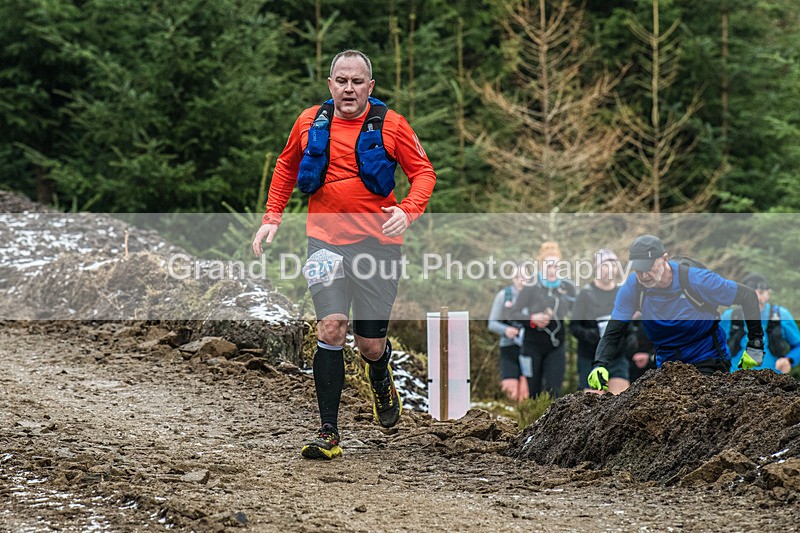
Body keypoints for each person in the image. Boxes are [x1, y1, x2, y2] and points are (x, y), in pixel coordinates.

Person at [251, 50, 436, 459]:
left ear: (370, 87)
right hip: (324, 243)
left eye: (356, 82)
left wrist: (407, 212)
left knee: (370, 344)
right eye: (341, 80)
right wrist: (272, 218)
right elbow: (285, 167)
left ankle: (380, 373)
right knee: (331, 328)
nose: (348, 88)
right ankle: (329, 432)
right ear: (330, 84)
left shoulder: (392, 125)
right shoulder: (308, 122)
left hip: (378, 246)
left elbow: (423, 172)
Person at [589, 235, 765, 391]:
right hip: (668, 366)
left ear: (664, 259)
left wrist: (755, 344)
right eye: (638, 269)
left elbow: (747, 295)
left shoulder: (697, 280)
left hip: (707, 357)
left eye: (648, 267)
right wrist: (600, 364)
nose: (644, 275)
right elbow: (614, 330)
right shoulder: (633, 287)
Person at [511, 242, 576, 398]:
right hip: (532, 345)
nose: (553, 270)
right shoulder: (531, 286)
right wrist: (533, 318)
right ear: (541, 266)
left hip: (556, 345)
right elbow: (513, 313)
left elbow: (578, 311)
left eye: (556, 266)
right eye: (549, 266)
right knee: (534, 393)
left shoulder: (567, 287)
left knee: (554, 392)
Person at [570, 249, 637, 395]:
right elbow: (574, 326)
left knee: (621, 399)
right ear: (596, 268)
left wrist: (631, 338)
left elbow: (629, 323)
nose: (610, 270)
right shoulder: (585, 294)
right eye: (605, 266)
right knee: (594, 403)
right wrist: (589, 335)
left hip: (617, 357)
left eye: (613, 266)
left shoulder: (622, 292)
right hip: (590, 357)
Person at [721, 273, 800, 374]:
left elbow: (798, 345)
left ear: (768, 293)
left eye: (761, 293)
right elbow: (712, 346)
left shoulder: (781, 315)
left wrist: (789, 359)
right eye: (751, 294)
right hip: (733, 383)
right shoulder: (729, 317)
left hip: (773, 383)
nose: (756, 298)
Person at [487, 264, 528, 402]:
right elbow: (492, 323)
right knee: (510, 389)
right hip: (508, 347)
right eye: (517, 277)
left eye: (523, 276)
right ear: (512, 278)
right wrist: (506, 330)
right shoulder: (503, 296)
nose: (520, 280)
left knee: (526, 392)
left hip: (529, 349)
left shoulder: (534, 296)